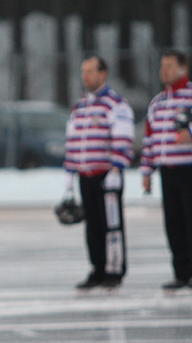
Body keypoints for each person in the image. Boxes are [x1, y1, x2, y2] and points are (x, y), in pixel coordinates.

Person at [63, 55, 135, 290]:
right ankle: (97, 268)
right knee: (92, 225)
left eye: (90, 71)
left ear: (103, 74)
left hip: (106, 174)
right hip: (86, 174)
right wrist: (70, 172)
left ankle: (114, 269)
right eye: (84, 72)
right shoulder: (81, 106)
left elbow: (123, 138)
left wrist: (117, 167)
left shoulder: (114, 104)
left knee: (111, 224)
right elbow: (73, 140)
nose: (86, 76)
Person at [141, 49, 192, 290]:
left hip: (188, 168)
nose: (164, 70)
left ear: (183, 69)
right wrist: (147, 170)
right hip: (167, 171)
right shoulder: (158, 102)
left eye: (170, 66)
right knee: (174, 223)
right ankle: (181, 272)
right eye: (162, 66)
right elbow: (149, 138)